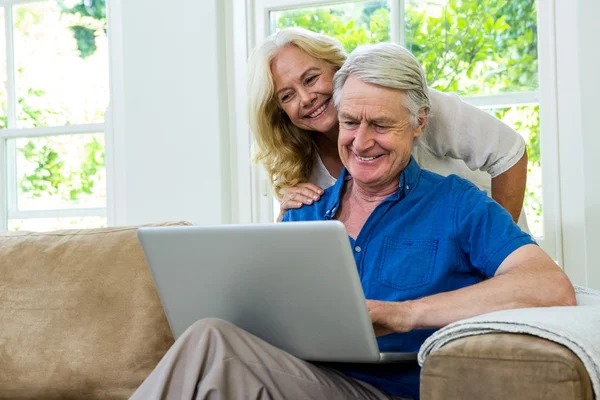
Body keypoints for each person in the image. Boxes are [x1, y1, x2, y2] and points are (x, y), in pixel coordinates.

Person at [130, 43, 575, 400]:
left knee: (210, 343)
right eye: (349, 123)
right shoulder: (303, 209)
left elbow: (550, 286)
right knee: (212, 340)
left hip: (391, 387)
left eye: (380, 124)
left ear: (419, 123)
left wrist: (403, 314)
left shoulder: (457, 204)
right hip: (305, 379)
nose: (362, 142)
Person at [247, 27, 529, 230]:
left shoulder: (407, 101)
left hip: (477, 239)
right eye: (287, 96)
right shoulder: (301, 161)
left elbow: (508, 151)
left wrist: (493, 244)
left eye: (311, 79)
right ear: (280, 111)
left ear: (337, 69)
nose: (306, 98)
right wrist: (287, 217)